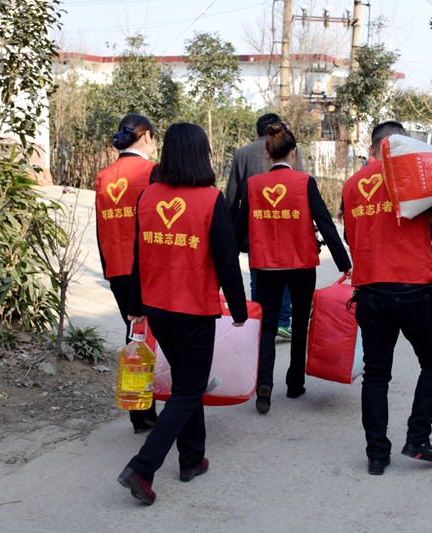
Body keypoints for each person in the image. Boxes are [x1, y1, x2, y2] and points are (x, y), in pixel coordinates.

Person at [118, 123, 248, 505]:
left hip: (158, 309)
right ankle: (142, 468)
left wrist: (135, 307)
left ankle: (192, 458)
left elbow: (139, 256)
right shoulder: (210, 200)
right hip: (193, 312)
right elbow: (227, 261)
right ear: (201, 155)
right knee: (189, 390)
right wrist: (239, 309)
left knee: (186, 385)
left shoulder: (147, 196)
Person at [342, 121, 432, 475]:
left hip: (369, 290)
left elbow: (350, 234)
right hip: (413, 288)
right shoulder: (410, 174)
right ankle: (417, 439)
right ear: (400, 144)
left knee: (375, 375)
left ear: (372, 147)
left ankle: (376, 455)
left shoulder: (351, 184)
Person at [233, 123, 352, 414]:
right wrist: (345, 264)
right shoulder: (305, 182)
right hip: (301, 266)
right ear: (294, 153)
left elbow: (238, 229)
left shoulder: (254, 185)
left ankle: (264, 384)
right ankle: (295, 382)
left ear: (267, 155)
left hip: (265, 267)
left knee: (267, 327)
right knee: (300, 324)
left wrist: (228, 259)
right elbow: (326, 224)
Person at [95, 114, 159, 433]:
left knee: (134, 332)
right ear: (146, 137)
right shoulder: (152, 172)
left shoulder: (103, 176)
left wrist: (107, 268)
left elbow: (100, 227)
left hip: (116, 266)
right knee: (157, 334)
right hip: (148, 266)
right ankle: (158, 405)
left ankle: (139, 410)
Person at [227, 113, 298, 338]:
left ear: (257, 132)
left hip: (253, 227)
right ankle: (282, 321)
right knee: (285, 272)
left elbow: (232, 196)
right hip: (287, 224)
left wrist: (231, 234)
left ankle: (260, 321)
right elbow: (299, 185)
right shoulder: (291, 150)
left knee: (257, 275)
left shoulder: (242, 153)